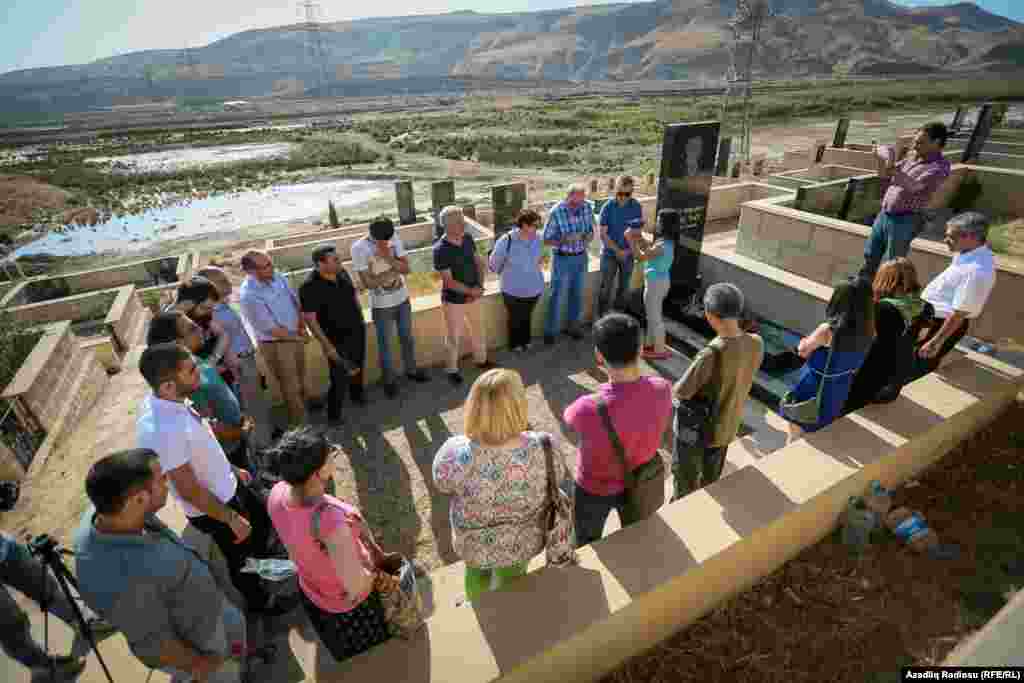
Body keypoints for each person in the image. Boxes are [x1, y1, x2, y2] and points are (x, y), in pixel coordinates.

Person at [75, 449, 246, 683]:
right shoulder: (119, 580)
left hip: (210, 609)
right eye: (162, 479)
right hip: (201, 639)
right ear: (138, 499)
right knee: (225, 675)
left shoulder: (110, 511)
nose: (168, 484)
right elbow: (154, 643)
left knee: (236, 635)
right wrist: (199, 664)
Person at [136, 342, 273, 613]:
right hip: (216, 507)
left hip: (229, 487)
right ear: (167, 387)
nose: (199, 370)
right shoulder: (165, 429)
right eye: (191, 370)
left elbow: (201, 443)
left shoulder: (171, 402)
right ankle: (262, 603)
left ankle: (267, 571)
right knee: (241, 560)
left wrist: (231, 470)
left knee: (260, 526)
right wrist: (230, 518)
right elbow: (188, 489)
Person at [433, 369, 566, 602]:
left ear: (473, 407)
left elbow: (442, 483)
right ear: (519, 406)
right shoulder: (545, 445)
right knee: (512, 577)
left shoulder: (455, 452)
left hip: (472, 542)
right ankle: (504, 610)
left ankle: (477, 605)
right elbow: (560, 475)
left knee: (475, 575)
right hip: (522, 539)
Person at [265, 427, 393, 663]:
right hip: (350, 608)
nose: (334, 456)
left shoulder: (276, 493)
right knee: (373, 661)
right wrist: (374, 574)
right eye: (330, 455)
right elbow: (357, 587)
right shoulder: (329, 521)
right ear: (317, 473)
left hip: (313, 594)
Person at [563, 313, 672, 547]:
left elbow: (569, 420)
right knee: (634, 535)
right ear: (640, 349)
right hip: (641, 478)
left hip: (594, 486)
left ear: (599, 356)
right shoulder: (663, 389)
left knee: (585, 539)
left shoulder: (587, 407)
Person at [671, 283, 763, 499]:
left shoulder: (711, 353)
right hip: (727, 427)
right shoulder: (757, 343)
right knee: (711, 480)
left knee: (684, 481)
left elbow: (682, 391)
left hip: (697, 431)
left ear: (710, 316)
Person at [1, 532, 115, 681]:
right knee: (9, 623)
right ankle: (43, 669)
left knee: (43, 584)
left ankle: (84, 625)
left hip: (4, 547)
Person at [147, 311, 250, 469]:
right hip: (228, 453)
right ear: (177, 342)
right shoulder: (184, 380)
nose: (200, 329)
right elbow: (207, 427)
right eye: (192, 329)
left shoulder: (192, 360)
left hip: (237, 439)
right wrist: (241, 432)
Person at [781, 278, 875, 443]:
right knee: (819, 425)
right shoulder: (869, 330)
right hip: (839, 387)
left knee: (796, 427)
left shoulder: (828, 330)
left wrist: (803, 342)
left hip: (814, 385)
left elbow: (803, 351)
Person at [195, 266, 274, 454]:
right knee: (249, 408)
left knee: (257, 402)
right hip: (237, 365)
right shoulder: (209, 313)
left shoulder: (223, 305)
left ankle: (265, 442)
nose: (228, 283)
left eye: (226, 279)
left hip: (246, 359)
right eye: (221, 281)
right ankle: (261, 448)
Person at [350, 216, 429, 399]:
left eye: (389, 238)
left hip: (402, 299)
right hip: (381, 305)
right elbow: (368, 283)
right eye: (382, 240)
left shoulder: (394, 237)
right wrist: (395, 269)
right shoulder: (359, 248)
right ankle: (389, 381)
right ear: (372, 235)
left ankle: (411, 370)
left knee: (407, 339)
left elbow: (407, 269)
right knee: (385, 344)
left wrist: (387, 257)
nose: (387, 242)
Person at [860, 122, 952, 279]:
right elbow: (886, 175)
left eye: (920, 142)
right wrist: (881, 159)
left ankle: (884, 298)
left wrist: (891, 164)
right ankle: (861, 290)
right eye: (915, 141)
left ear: (936, 142)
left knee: (893, 264)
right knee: (870, 256)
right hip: (884, 215)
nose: (915, 146)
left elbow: (914, 186)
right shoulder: (912, 156)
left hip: (905, 219)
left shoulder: (939, 167)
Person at [844, 258, 933, 414]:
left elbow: (860, 341)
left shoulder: (881, 308)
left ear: (884, 279)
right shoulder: (926, 307)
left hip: (871, 374)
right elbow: (920, 337)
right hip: (899, 375)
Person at [914, 211, 996, 377]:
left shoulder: (977, 270)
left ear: (971, 237)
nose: (945, 240)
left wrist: (935, 341)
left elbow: (959, 313)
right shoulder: (966, 253)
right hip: (932, 320)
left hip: (942, 325)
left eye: (951, 237)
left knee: (917, 366)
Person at [239, 250, 309, 429]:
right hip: (276, 344)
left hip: (295, 336)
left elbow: (294, 300)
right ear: (251, 272)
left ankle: (306, 418)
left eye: (270, 263)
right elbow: (270, 328)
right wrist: (297, 338)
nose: (272, 268)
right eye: (266, 266)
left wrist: (301, 326)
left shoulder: (277, 276)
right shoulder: (249, 295)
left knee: (300, 380)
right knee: (290, 387)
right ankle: (302, 427)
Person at [299, 245, 367, 424]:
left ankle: (357, 396)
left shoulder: (342, 273)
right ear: (320, 263)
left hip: (356, 330)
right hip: (335, 339)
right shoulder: (309, 286)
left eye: (338, 258)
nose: (340, 262)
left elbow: (353, 297)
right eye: (335, 260)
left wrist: (360, 317)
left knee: (358, 366)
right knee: (339, 377)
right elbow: (310, 320)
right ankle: (334, 415)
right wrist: (327, 346)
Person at [434, 205, 494, 385]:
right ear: (448, 225)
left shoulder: (468, 239)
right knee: (454, 336)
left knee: (478, 329)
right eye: (459, 221)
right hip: (453, 301)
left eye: (463, 220)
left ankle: (481, 360)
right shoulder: (440, 249)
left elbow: (479, 263)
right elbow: (448, 281)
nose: (463, 224)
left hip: (473, 294)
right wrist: (471, 292)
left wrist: (479, 287)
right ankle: (451, 369)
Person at [543, 183, 595, 345]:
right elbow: (545, 239)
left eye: (581, 202)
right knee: (556, 295)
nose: (578, 206)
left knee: (577, 293)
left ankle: (573, 327)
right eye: (574, 203)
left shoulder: (587, 208)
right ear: (567, 198)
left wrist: (588, 237)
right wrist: (563, 240)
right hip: (562, 258)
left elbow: (591, 231)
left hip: (581, 257)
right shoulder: (556, 212)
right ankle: (551, 331)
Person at [488, 208, 545, 352]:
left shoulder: (538, 238)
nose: (537, 229)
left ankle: (525, 341)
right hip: (512, 288)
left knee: (527, 316)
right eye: (535, 225)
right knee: (515, 317)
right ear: (524, 225)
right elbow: (493, 263)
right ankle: (515, 344)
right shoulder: (506, 240)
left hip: (534, 287)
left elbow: (539, 258)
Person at [631, 208, 680, 361]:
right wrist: (639, 237)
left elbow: (640, 256)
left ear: (665, 224)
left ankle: (659, 350)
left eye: (659, 220)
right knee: (652, 315)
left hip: (655, 285)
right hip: (659, 282)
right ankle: (650, 344)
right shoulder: (665, 242)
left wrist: (631, 239)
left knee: (655, 317)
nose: (656, 223)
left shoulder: (661, 246)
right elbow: (649, 249)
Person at [171, 277, 236, 386]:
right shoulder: (169, 325)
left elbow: (223, 334)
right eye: (205, 308)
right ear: (188, 303)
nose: (209, 312)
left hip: (221, 376)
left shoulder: (202, 314)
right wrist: (206, 369)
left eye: (211, 308)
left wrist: (213, 359)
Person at [596, 176, 644, 318]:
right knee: (606, 288)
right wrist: (618, 251)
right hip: (609, 254)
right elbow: (603, 234)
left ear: (632, 192)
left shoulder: (636, 207)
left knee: (624, 288)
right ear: (615, 190)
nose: (623, 197)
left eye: (627, 194)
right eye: (620, 193)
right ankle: (602, 319)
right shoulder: (608, 207)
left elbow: (637, 233)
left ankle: (619, 319)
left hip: (628, 254)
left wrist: (628, 251)